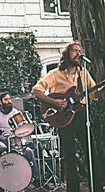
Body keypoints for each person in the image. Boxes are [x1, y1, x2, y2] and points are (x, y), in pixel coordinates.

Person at [32, 41, 105, 192]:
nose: (78, 53)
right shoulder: (55, 74)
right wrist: (55, 102)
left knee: (91, 151)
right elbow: (36, 91)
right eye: (74, 51)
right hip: (63, 117)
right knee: (69, 155)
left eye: (80, 50)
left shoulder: (83, 73)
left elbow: (93, 93)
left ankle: (96, 187)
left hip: (81, 115)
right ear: (67, 55)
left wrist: (101, 90)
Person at [0, 91, 40, 187]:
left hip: (15, 140)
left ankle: (36, 179)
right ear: (0, 102)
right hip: (2, 140)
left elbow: (23, 127)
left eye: (9, 99)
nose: (9, 101)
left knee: (29, 152)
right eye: (6, 99)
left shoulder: (15, 112)